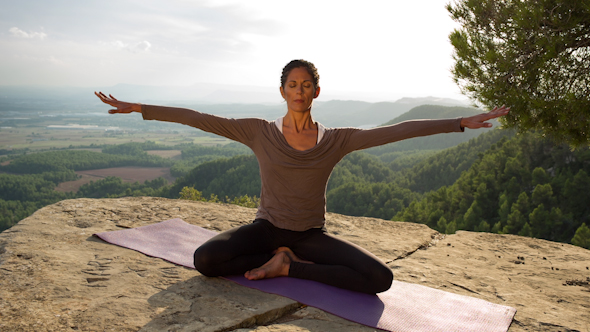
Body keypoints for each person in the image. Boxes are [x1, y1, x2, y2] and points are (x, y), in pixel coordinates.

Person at [95, 59, 510, 294]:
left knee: (380, 279)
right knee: (205, 259)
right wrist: (142, 107)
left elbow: (398, 131)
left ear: (315, 92)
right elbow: (202, 119)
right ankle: (274, 259)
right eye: (292, 85)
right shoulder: (259, 131)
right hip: (265, 228)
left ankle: (289, 268)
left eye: (306, 85)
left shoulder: (337, 140)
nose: (299, 91)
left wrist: (460, 122)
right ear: (283, 91)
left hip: (310, 235)